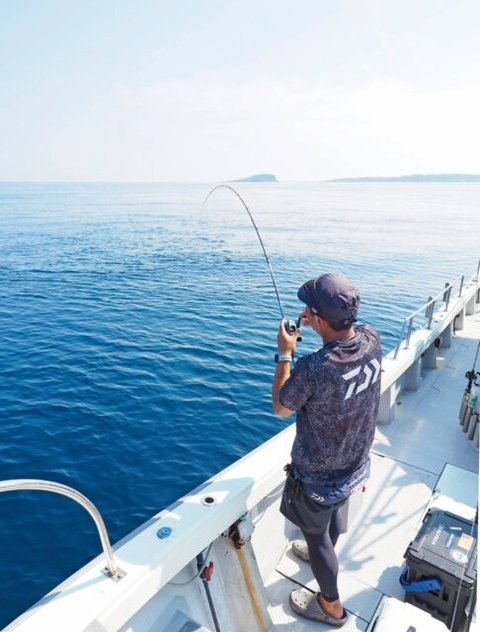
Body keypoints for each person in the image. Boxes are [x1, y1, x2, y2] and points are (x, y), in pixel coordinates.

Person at [272, 273, 382, 627]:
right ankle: (323, 550)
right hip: (355, 461)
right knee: (331, 515)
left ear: (319, 318)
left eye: (309, 309)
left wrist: (285, 354)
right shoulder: (372, 337)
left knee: (316, 537)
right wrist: (318, 329)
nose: (304, 313)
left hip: (319, 476)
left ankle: (331, 606)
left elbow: (282, 407)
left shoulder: (313, 369)